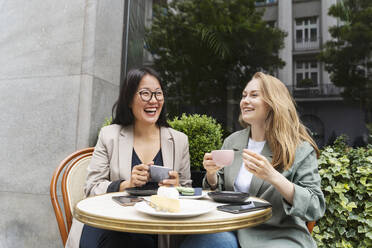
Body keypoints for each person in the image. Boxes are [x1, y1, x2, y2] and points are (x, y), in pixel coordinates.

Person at [181, 72, 325, 248]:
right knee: (201, 241)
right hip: (231, 226)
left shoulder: (300, 148)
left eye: (254, 95)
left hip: (278, 234)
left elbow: (315, 206)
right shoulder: (232, 141)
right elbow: (215, 192)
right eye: (244, 95)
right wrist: (211, 175)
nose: (245, 101)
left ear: (273, 102)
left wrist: (273, 176)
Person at [65, 67, 191, 248]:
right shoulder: (109, 135)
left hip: (155, 229)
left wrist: (177, 187)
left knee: (140, 240)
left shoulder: (178, 140)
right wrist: (125, 184)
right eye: (145, 94)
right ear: (129, 99)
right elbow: (91, 188)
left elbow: (188, 195)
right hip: (110, 222)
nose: (153, 101)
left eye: (158, 94)